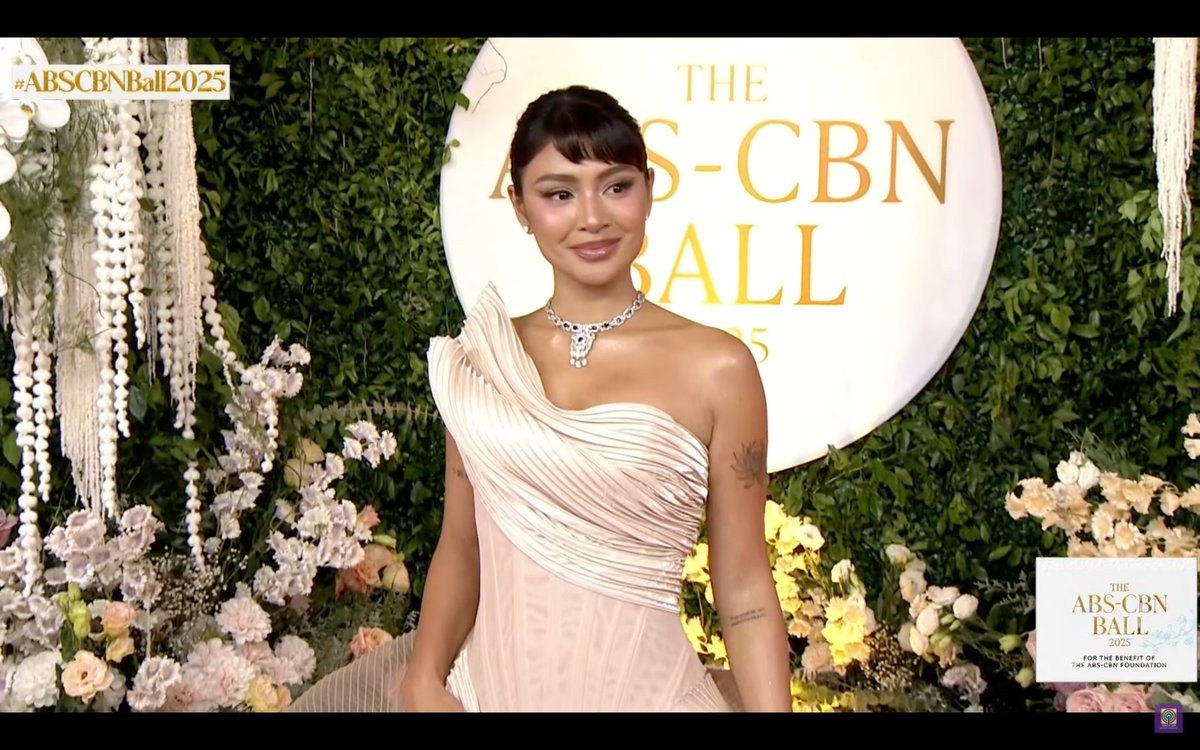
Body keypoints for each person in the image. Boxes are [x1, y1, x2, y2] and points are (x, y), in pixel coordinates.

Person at [287, 85, 792, 712]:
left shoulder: (720, 367)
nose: (592, 217)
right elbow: (462, 545)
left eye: (616, 186)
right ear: (520, 205)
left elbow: (743, 589)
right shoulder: (482, 361)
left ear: (649, 190)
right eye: (558, 193)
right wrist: (422, 677)